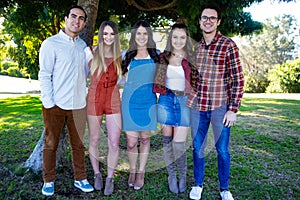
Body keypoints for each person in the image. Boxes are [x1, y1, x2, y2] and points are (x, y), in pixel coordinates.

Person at [187, 3, 244, 200]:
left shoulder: (228, 45)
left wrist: (233, 109)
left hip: (221, 108)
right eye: (205, 17)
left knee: (222, 149)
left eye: (212, 18)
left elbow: (238, 79)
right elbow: (194, 79)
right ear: (200, 21)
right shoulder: (196, 47)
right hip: (199, 108)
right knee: (198, 147)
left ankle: (224, 188)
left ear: (218, 22)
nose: (208, 21)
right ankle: (198, 184)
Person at [38, 5, 94, 196]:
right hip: (55, 104)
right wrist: (48, 103)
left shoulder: (83, 47)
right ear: (66, 18)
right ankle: (48, 180)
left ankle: (80, 178)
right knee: (51, 144)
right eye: (73, 16)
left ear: (84, 23)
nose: (76, 20)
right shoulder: (50, 43)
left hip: (78, 105)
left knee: (78, 145)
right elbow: (44, 74)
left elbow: (86, 74)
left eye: (81, 18)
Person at [153, 19, 193, 194]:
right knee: (167, 140)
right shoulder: (163, 57)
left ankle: (182, 175)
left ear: (186, 39)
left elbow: (198, 82)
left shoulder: (191, 58)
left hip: (184, 101)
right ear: (171, 38)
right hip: (166, 100)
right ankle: (171, 175)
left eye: (182, 37)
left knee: (179, 143)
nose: (178, 41)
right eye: (175, 37)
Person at [84, 21, 122, 196]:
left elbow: (123, 78)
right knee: (94, 139)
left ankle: (110, 178)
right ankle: (97, 173)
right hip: (94, 98)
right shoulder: (89, 52)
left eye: (111, 34)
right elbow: (83, 74)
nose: (108, 37)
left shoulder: (120, 55)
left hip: (113, 98)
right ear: (100, 35)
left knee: (114, 142)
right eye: (105, 34)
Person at [121, 21, 159, 190]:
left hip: (148, 103)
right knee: (131, 143)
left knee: (145, 138)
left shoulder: (156, 56)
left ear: (149, 36)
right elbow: (119, 80)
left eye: (145, 34)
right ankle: (133, 169)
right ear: (134, 36)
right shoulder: (126, 56)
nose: (142, 37)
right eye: (139, 34)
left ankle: (141, 172)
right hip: (130, 104)